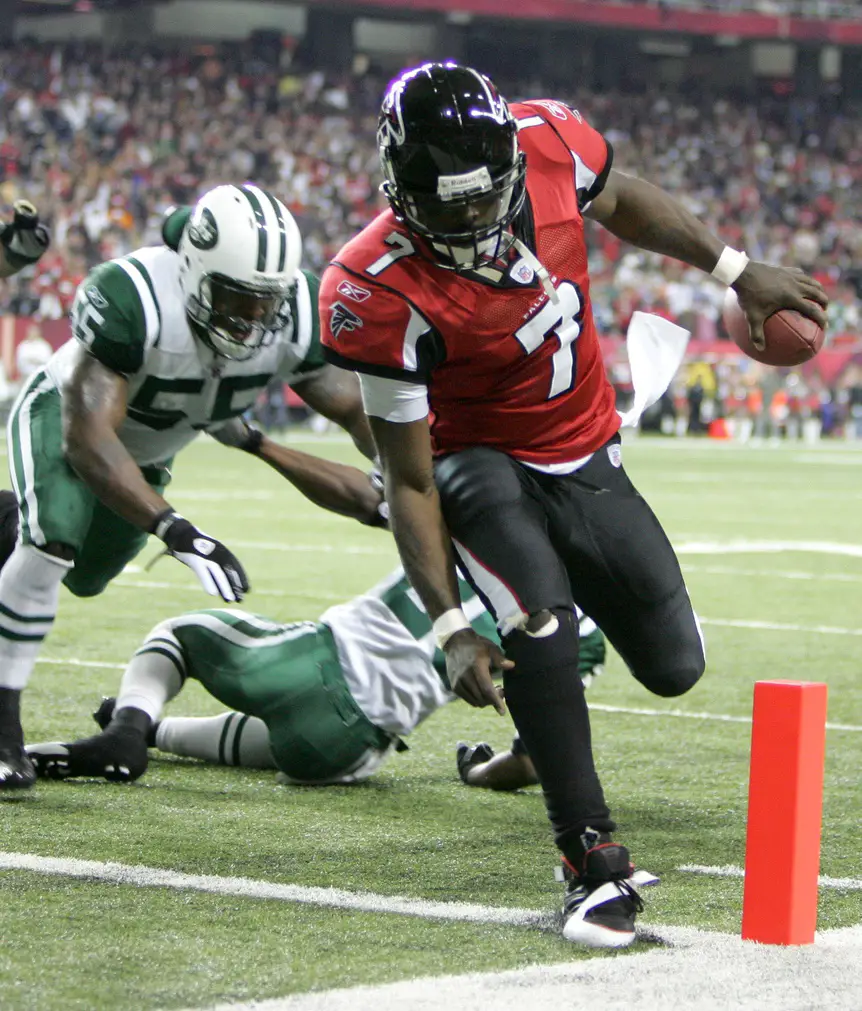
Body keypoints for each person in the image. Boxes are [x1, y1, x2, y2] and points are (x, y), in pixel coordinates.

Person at [319, 63, 829, 948]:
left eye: (486, 204)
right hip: (478, 459)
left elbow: (624, 198)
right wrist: (447, 625)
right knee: (541, 622)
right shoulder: (375, 288)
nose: (475, 227)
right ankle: (589, 860)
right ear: (400, 191)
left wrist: (735, 270)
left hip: (586, 447)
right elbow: (406, 478)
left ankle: (536, 725)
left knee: (674, 665)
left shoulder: (550, 143)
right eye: (450, 211)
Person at [0, 185, 378, 794]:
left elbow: (359, 414)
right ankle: (3, 736)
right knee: (52, 547)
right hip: (70, 425)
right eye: (236, 296)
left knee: (87, 577)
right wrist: (173, 528)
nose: (253, 317)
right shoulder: (136, 296)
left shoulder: (302, 313)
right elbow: (90, 442)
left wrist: (413, 480)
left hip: (148, 460)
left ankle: (9, 526)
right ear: (195, 271)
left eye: (266, 301)